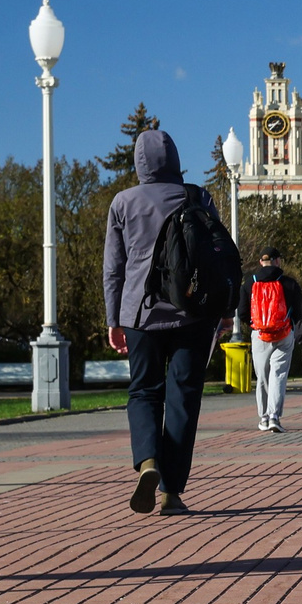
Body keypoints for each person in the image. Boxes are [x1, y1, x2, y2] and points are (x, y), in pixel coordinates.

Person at [104, 130, 236, 515]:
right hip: (193, 313)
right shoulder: (197, 196)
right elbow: (217, 256)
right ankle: (171, 492)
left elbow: (114, 269)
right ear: (176, 160)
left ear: (139, 162)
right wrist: (224, 311)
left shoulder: (123, 202)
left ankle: (147, 461)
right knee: (183, 396)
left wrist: (114, 318)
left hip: (139, 314)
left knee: (144, 391)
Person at [245, 247, 302, 432]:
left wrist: (255, 324)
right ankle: (274, 417)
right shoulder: (289, 283)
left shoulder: (249, 283)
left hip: (260, 334)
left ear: (260, 262)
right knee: (278, 375)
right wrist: (290, 325)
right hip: (283, 333)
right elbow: (299, 310)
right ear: (278, 261)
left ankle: (263, 417)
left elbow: (241, 310)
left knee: (262, 376)